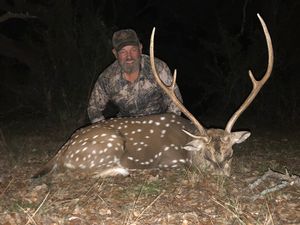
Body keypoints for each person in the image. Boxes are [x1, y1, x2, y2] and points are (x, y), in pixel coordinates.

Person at [87, 29, 183, 123]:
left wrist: (168, 125)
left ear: (140, 49)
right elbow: (93, 108)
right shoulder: (107, 78)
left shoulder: (158, 68)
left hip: (158, 123)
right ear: (115, 54)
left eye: (133, 50)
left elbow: (176, 103)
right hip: (127, 126)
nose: (129, 57)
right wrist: (104, 130)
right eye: (123, 52)